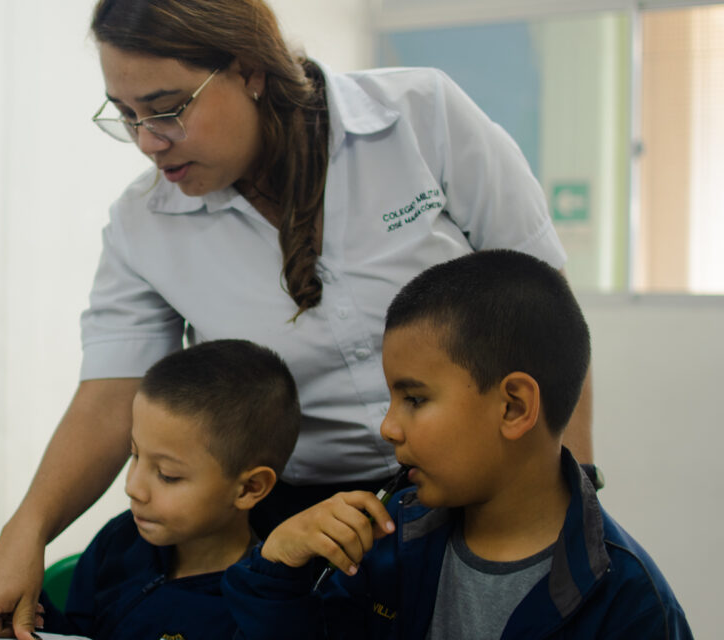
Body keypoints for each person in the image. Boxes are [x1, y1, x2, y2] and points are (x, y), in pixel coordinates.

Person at [0, 0, 593, 638]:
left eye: (167, 110)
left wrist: (576, 496)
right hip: (303, 523)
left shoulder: (420, 118)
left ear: (249, 69)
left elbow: (549, 322)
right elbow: (111, 396)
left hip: (475, 491)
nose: (147, 142)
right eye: (126, 115)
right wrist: (29, 531)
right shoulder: (144, 226)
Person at [222, 250, 691, 639]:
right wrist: (276, 571)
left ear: (512, 406)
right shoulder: (386, 547)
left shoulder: (628, 601)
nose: (388, 427)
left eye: (415, 399)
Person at [0, 339, 301, 640]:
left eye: (166, 474)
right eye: (134, 455)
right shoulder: (120, 541)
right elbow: (76, 635)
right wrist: (16, 615)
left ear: (250, 488)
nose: (133, 488)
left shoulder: (262, 609)